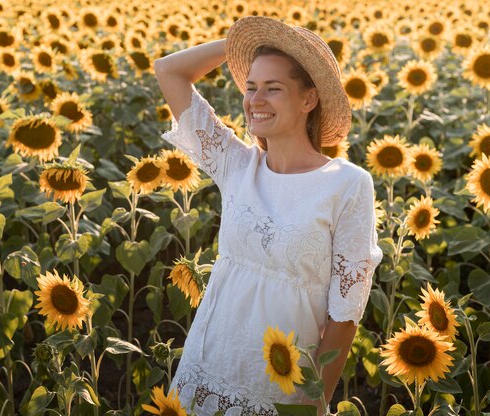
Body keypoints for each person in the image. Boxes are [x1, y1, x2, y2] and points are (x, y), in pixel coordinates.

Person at [153, 16, 383, 416]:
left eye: (273, 89)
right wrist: (243, 42)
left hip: (281, 390)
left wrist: (312, 407)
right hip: (206, 368)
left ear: (308, 99)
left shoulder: (347, 184)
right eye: (250, 87)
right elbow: (169, 70)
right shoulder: (236, 165)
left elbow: (344, 315)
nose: (255, 100)